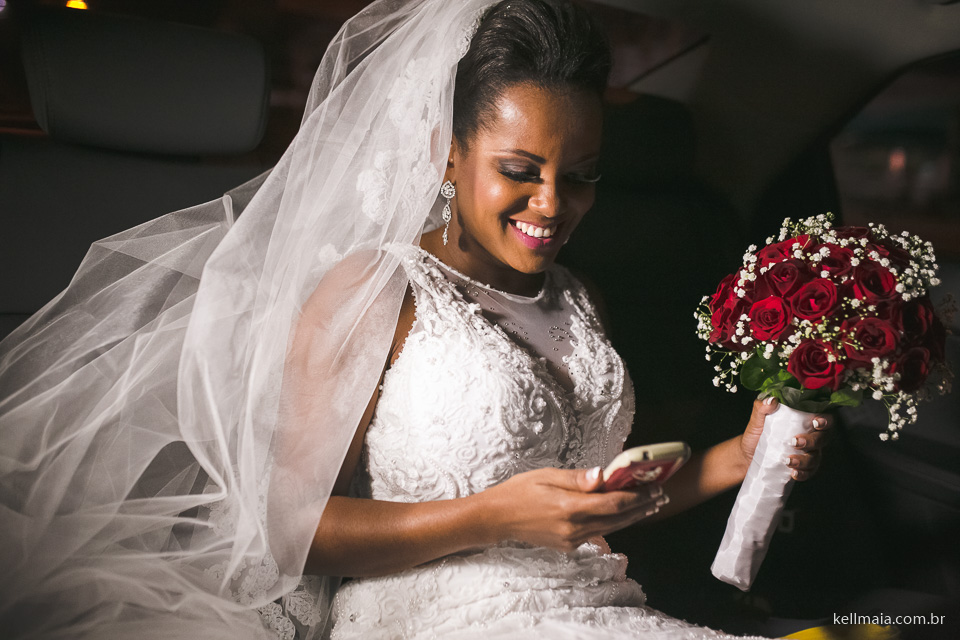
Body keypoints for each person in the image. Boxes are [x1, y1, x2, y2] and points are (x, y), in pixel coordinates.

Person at [0, 0, 831, 639]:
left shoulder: (581, 301)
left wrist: (736, 459)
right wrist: (493, 515)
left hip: (600, 608)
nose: (553, 204)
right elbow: (289, 530)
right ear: (447, 151)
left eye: (580, 175)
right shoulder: (373, 289)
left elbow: (589, 508)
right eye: (519, 169)